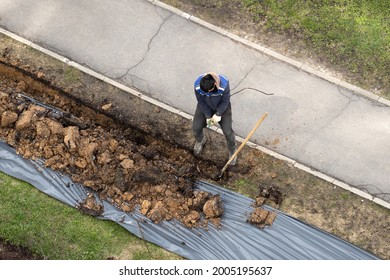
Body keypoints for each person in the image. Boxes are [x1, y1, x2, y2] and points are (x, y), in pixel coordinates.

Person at [192, 72, 237, 165]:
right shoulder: (197, 85)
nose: (208, 93)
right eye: (206, 92)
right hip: (205, 106)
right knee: (196, 127)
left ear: (215, 84)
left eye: (210, 90)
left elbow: (225, 101)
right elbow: (201, 102)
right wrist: (208, 116)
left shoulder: (224, 84)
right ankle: (201, 140)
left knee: (228, 132)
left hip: (222, 108)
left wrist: (218, 114)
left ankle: (233, 151)